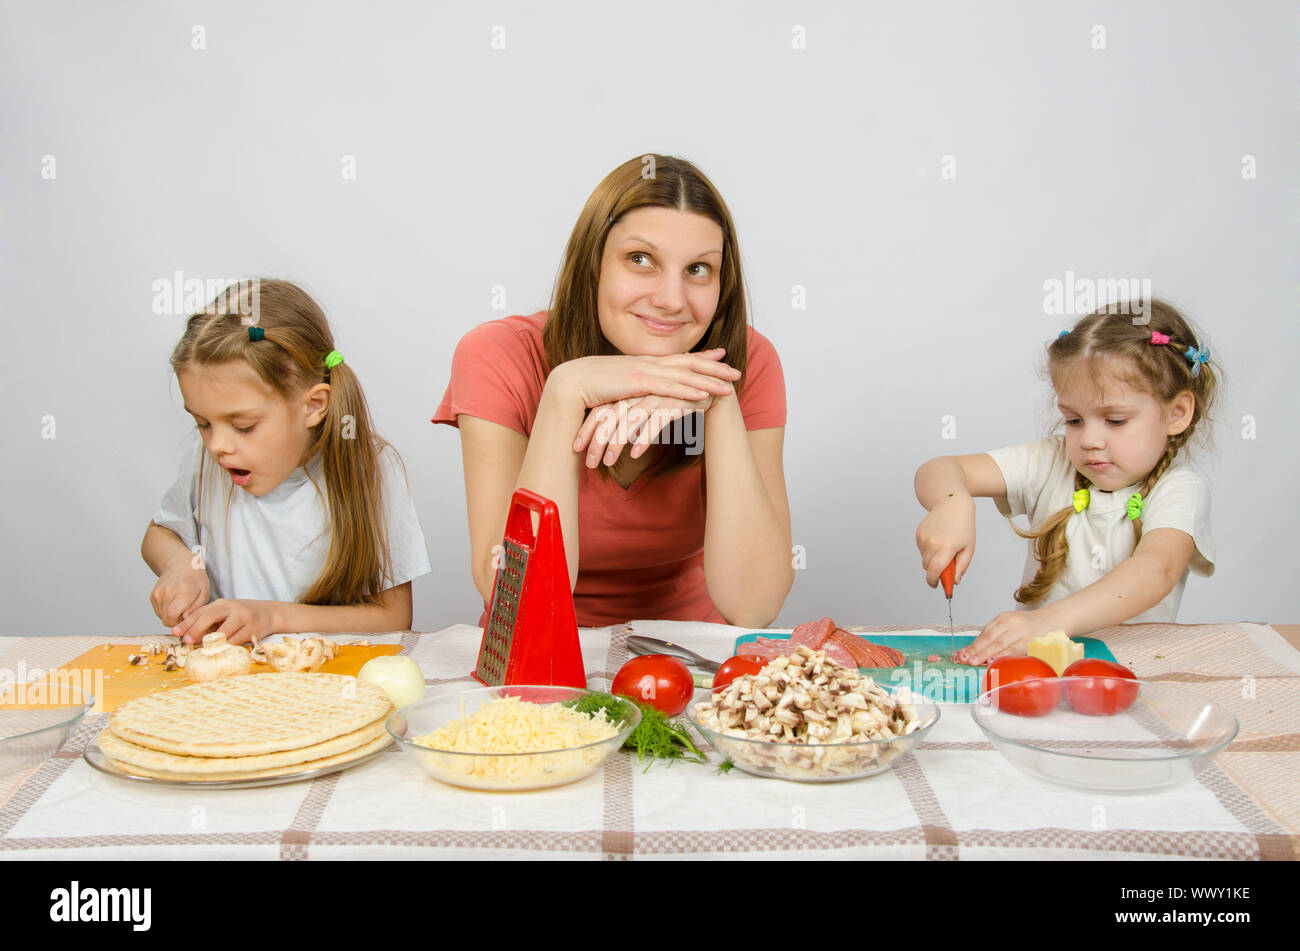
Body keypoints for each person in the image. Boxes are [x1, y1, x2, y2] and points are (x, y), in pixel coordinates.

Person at [434, 154, 793, 628]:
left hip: (687, 657)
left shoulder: (749, 360)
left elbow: (755, 605)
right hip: (541, 657)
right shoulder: (498, 354)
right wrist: (567, 391)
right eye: (640, 260)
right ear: (593, 264)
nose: (670, 299)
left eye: (698, 269)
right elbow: (519, 602)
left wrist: (713, 396)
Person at [914, 300, 1218, 664]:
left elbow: (1157, 569)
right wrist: (952, 502)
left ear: (1177, 413)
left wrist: (1050, 622)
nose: (1089, 439)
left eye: (1116, 420)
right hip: (1034, 673)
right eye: (1074, 420)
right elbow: (941, 468)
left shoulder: (1180, 490)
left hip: (1130, 674)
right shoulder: (1051, 462)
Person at [143, 279, 431, 644]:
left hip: (329, 684)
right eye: (202, 423)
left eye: (243, 426)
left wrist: (272, 616)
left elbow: (393, 616)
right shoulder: (208, 462)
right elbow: (160, 533)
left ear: (312, 406)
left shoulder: (373, 468)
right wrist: (179, 565)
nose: (217, 445)